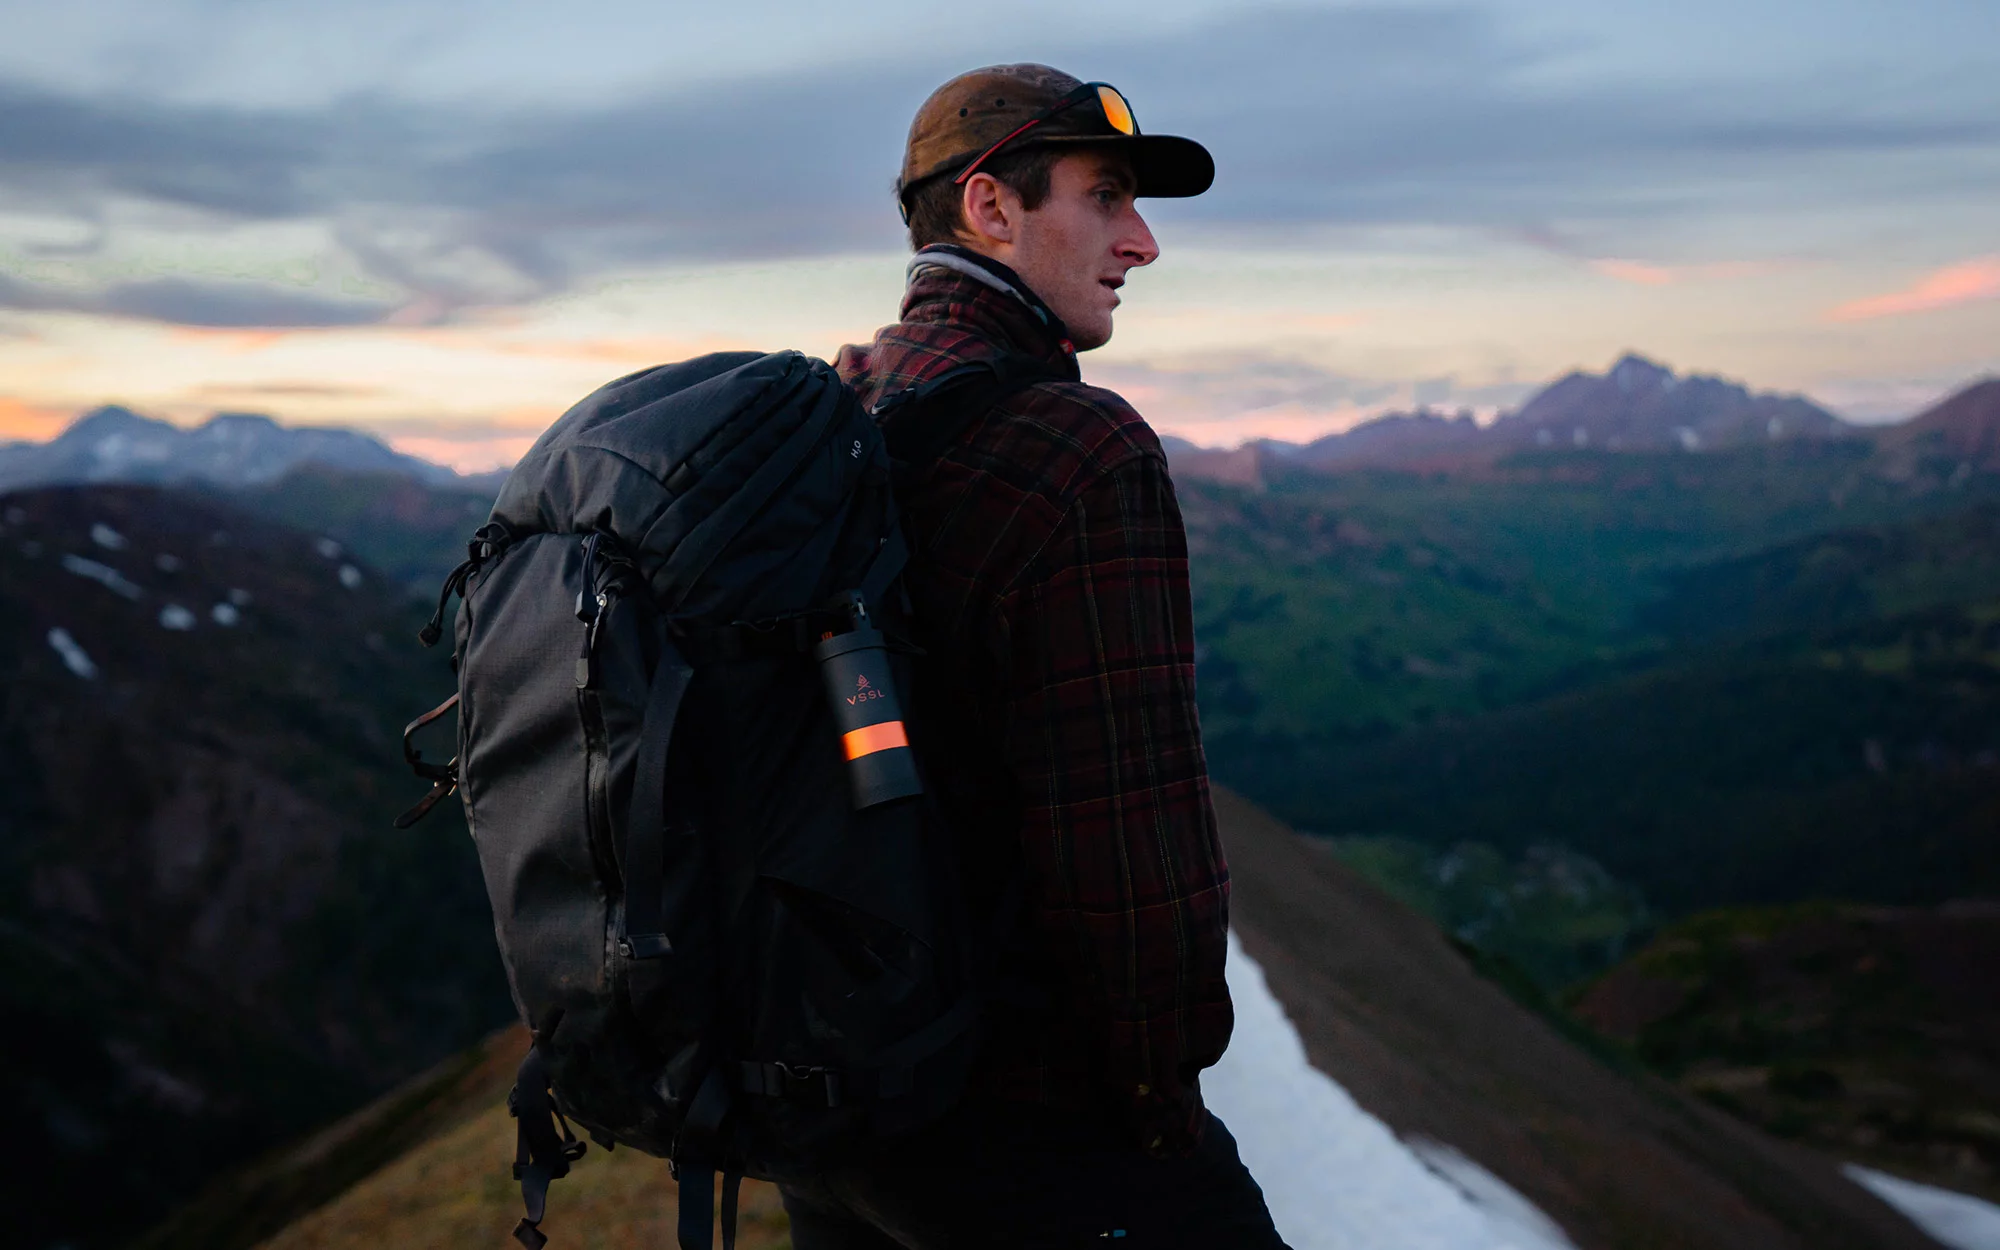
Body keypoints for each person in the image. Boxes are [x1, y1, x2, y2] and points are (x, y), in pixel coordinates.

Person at [776, 63, 1288, 1248]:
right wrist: (1159, 1113)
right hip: (1028, 1121)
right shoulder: (1077, 444)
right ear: (989, 208)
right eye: (1104, 196)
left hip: (846, 1105)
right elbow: (1128, 843)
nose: (1142, 242)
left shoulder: (839, 407)